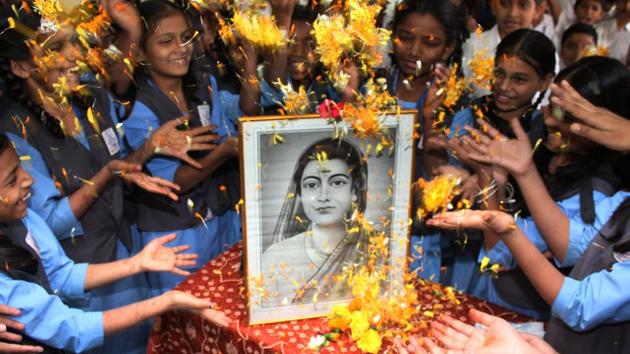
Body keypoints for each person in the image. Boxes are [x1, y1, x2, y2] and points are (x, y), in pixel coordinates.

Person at [0, 133, 231, 353]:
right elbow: (72, 328)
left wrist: (136, 264)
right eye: (11, 180)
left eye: (20, 166)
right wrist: (164, 303)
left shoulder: (25, 218)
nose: (28, 179)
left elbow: (62, 276)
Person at [124, 0, 242, 296]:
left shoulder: (204, 83)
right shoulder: (138, 109)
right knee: (182, 319)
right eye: (166, 41)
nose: (181, 47)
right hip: (174, 233)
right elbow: (173, 180)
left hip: (222, 216)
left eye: (186, 37)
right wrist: (224, 152)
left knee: (226, 303)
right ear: (140, 53)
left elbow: (224, 131)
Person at [261, 137, 368, 306]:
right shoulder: (275, 257)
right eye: (312, 185)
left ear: (354, 190)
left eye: (337, 182)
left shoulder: (375, 251)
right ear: (300, 194)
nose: (323, 196)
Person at [462, 0, 546, 97]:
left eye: (523, 5)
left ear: (537, 11)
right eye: (504, 3)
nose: (512, 13)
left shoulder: (544, 53)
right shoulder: (472, 46)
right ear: (493, 7)